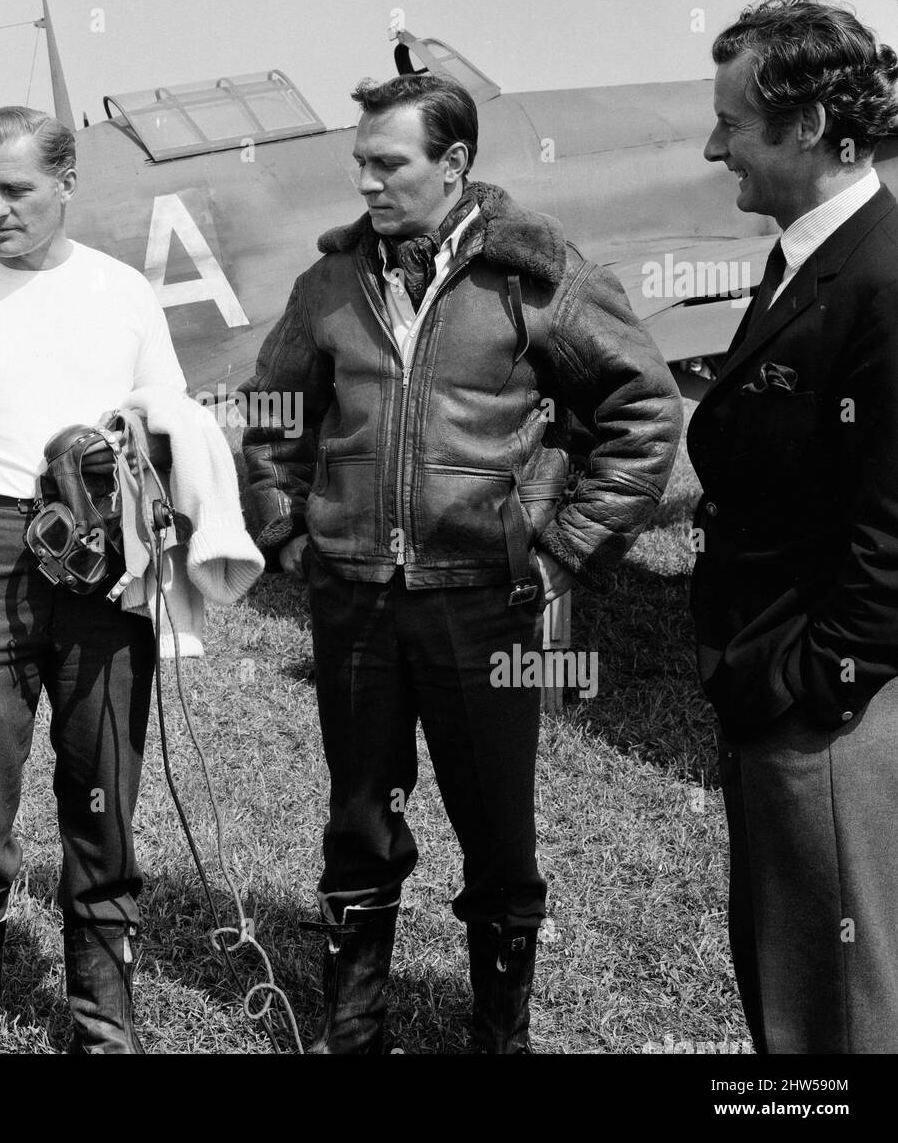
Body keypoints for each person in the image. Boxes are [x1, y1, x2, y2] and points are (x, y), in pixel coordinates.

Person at [240, 72, 681, 1053]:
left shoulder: (531, 273)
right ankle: (352, 1030)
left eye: (386, 162)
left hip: (482, 607)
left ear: (452, 163)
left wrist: (565, 547)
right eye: (359, 160)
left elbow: (643, 411)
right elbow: (270, 416)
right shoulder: (328, 283)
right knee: (359, 826)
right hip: (352, 606)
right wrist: (285, 535)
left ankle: (499, 1035)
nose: (366, 180)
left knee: (498, 836)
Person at [0, 106, 187, 1054]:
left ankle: (103, 1019)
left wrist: (144, 526)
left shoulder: (123, 292)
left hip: (99, 547)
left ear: (66, 183)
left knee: (103, 785)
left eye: (16, 189)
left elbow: (165, 425)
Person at [689, 0, 898, 1053]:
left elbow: (892, 526)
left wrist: (819, 683)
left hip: (824, 719)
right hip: (777, 692)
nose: (713, 142)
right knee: (791, 993)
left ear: (808, 125)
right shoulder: (806, 256)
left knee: (837, 1014)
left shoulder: (882, 274)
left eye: (730, 120)